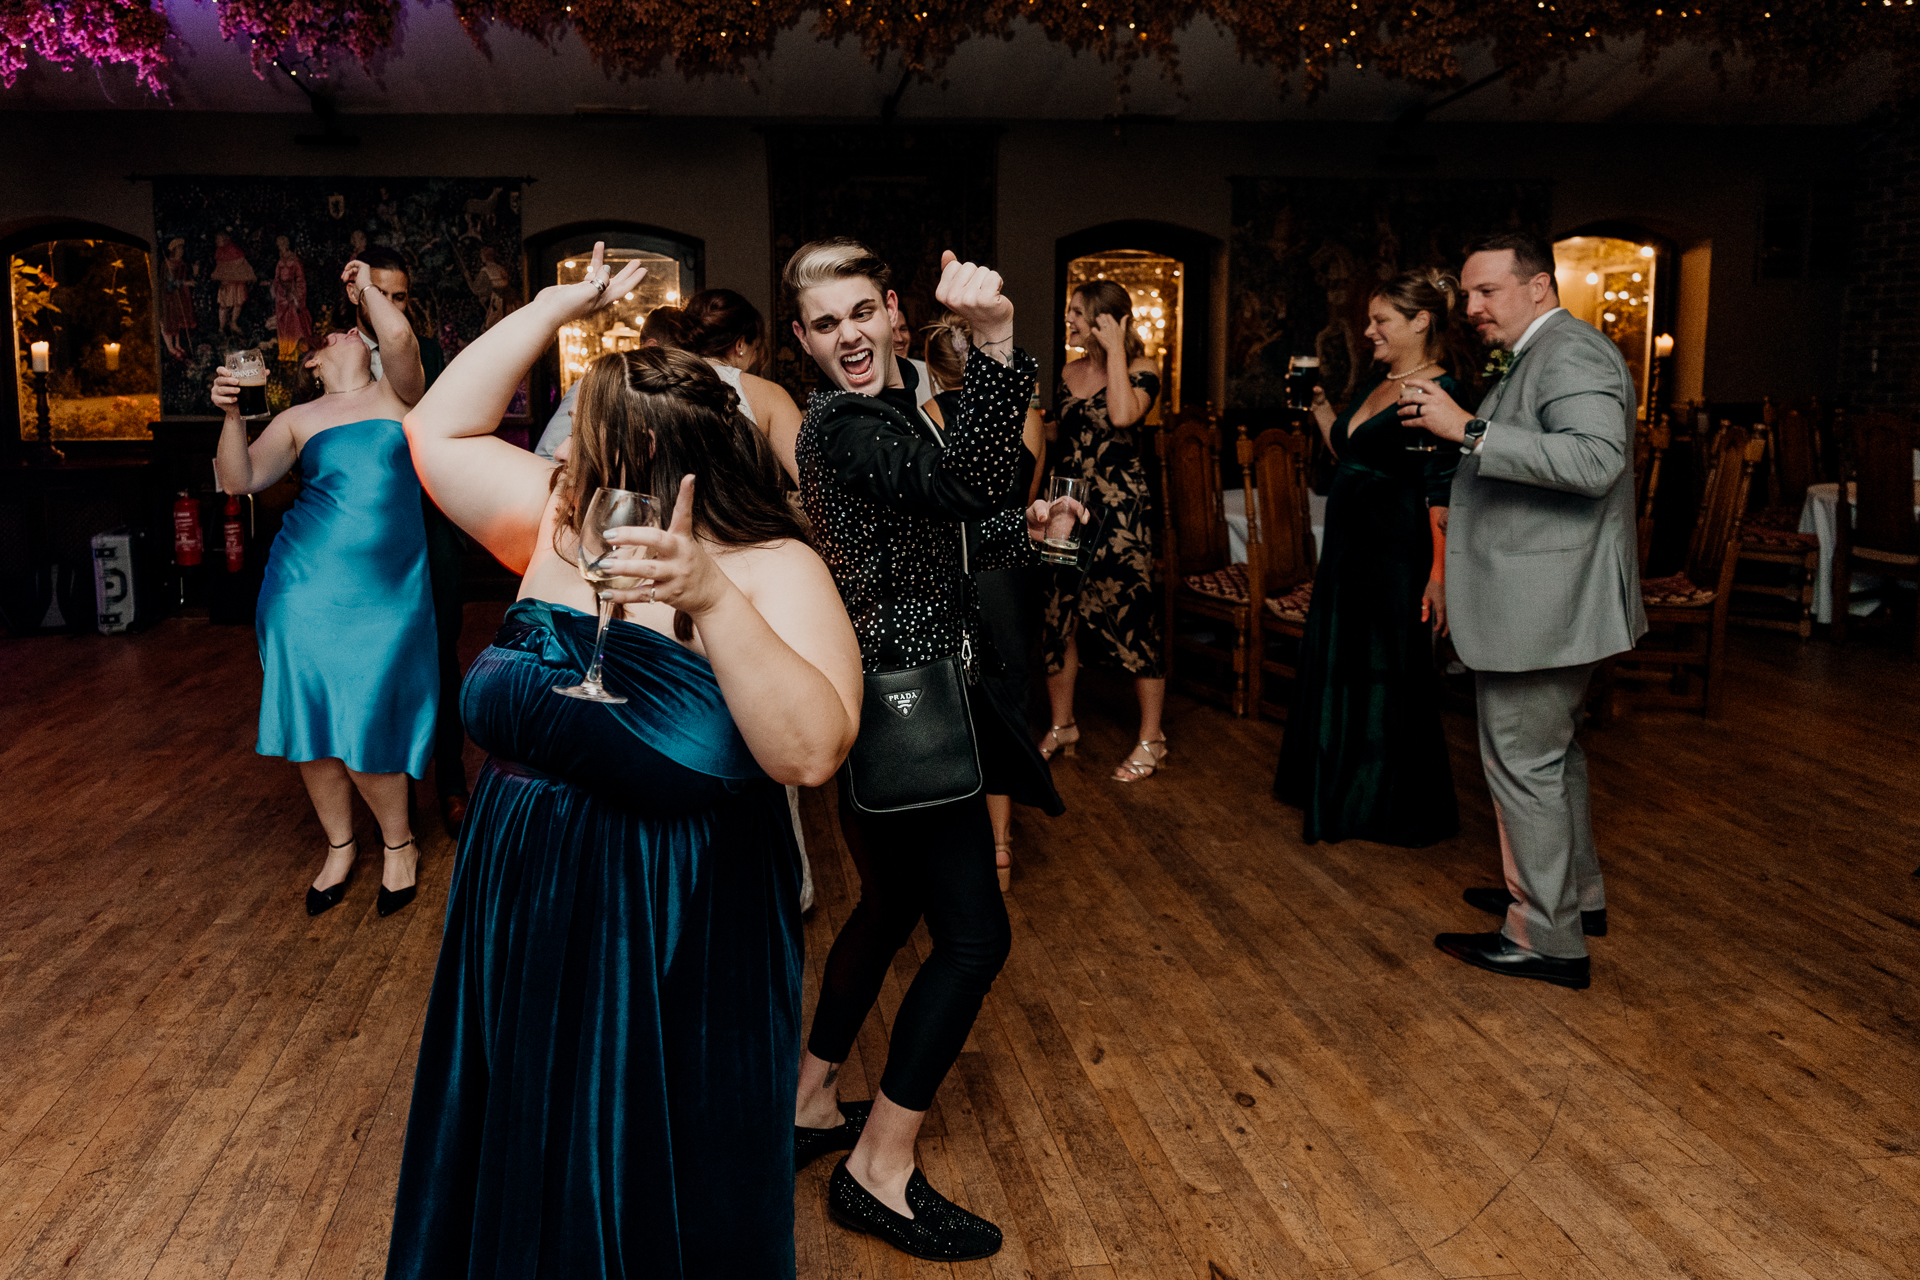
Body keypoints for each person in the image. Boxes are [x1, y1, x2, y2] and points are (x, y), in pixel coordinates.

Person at [385, 244, 862, 1278]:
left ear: (655, 451)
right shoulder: (561, 520)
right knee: (527, 1142)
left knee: (651, 1168)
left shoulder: (777, 568)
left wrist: (709, 598)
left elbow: (814, 751)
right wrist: (558, 305)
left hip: (675, 917)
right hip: (519, 903)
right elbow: (434, 428)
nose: (567, 452)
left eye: (588, 435)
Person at [787, 238, 1061, 1262]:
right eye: (825, 324)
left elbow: (971, 517)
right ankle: (880, 1167)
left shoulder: (905, 409)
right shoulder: (847, 423)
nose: (849, 335)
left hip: (916, 702)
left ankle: (812, 1096)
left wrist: (1028, 525)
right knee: (976, 939)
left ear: (891, 309)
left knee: (894, 905)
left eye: (861, 311)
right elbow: (960, 486)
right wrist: (1000, 342)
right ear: (806, 342)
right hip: (908, 717)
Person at [1399, 231, 1645, 991]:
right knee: (1553, 758)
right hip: (1545, 596)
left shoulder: (1570, 352)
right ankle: (1570, 899)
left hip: (1545, 604)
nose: (1470, 308)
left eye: (1487, 292)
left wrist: (1465, 427)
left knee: (1526, 764)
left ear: (1539, 286)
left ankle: (1545, 937)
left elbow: (1595, 461)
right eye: (1467, 295)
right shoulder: (1542, 352)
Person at [210, 259, 433, 919]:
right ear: (314, 359)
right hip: (302, 587)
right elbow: (238, 481)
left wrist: (365, 285)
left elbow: (398, 341)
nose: (349, 332)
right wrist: (229, 416)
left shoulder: (401, 395)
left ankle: (399, 844)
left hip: (387, 591)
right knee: (310, 723)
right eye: (338, 333)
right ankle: (339, 846)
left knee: (366, 716)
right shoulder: (301, 417)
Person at [1272, 268, 1466, 847]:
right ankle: (1333, 781)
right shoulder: (1382, 379)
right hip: (1349, 553)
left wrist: (1438, 575)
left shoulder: (1437, 391)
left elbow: (1442, 492)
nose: (1369, 330)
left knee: (1381, 672)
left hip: (1393, 556)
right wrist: (1321, 408)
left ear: (1420, 321)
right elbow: (1353, 453)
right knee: (1343, 663)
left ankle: (1373, 800)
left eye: (1381, 320)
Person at [345, 245, 470, 834]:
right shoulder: (329, 357)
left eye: (401, 297)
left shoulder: (428, 353)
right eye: (382, 294)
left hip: (426, 525)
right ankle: (389, 802)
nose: (394, 307)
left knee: (440, 656)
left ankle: (451, 783)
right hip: (358, 536)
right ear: (357, 293)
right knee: (371, 663)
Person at [922, 311, 1048, 891]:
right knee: (1010, 701)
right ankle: (1001, 846)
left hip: (961, 572)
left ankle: (956, 846)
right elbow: (1026, 493)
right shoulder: (1027, 417)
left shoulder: (927, 419)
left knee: (960, 707)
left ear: (934, 370)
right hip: (1015, 572)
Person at [1037, 279, 1168, 781]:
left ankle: (1152, 738)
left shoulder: (1143, 370)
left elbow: (1121, 414)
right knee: (1058, 612)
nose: (1068, 320)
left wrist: (1116, 351)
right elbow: (1064, 436)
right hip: (1068, 509)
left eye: (1076, 312)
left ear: (1104, 319)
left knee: (1133, 613)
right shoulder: (1068, 370)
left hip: (1121, 515)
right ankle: (1062, 723)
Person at [680, 287, 806, 481]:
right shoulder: (769, 395)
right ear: (740, 345)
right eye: (755, 349)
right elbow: (813, 485)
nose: (755, 358)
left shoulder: (658, 382)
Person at [271, 236, 313, 360]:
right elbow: (277, 278)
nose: (280, 246)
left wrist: (296, 295)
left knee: (295, 322)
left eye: (282, 243)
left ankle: (296, 350)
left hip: (293, 295)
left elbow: (300, 279)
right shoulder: (280, 261)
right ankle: (285, 351)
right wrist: (281, 291)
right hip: (282, 296)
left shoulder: (294, 261)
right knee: (284, 323)